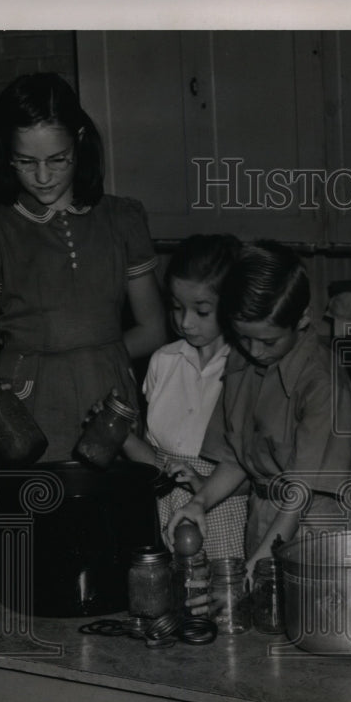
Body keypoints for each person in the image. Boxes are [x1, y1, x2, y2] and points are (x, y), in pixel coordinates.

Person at [0, 72, 166, 462]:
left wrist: (89, 357)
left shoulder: (122, 219)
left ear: (81, 142)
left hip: (108, 405)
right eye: (25, 161)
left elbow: (153, 329)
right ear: (7, 154)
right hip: (25, 412)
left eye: (57, 159)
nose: (42, 176)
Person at [164, 240, 351, 576]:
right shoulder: (242, 363)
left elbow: (301, 498)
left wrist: (255, 570)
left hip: (318, 530)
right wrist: (198, 503)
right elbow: (237, 460)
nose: (255, 350)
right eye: (243, 337)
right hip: (263, 519)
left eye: (269, 341)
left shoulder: (323, 385)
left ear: (302, 319)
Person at [107, 234, 249, 561]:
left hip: (225, 517)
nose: (185, 322)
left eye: (201, 311)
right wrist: (120, 435)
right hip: (165, 514)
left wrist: (201, 484)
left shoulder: (245, 371)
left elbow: (251, 475)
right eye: (176, 307)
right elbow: (158, 463)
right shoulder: (162, 362)